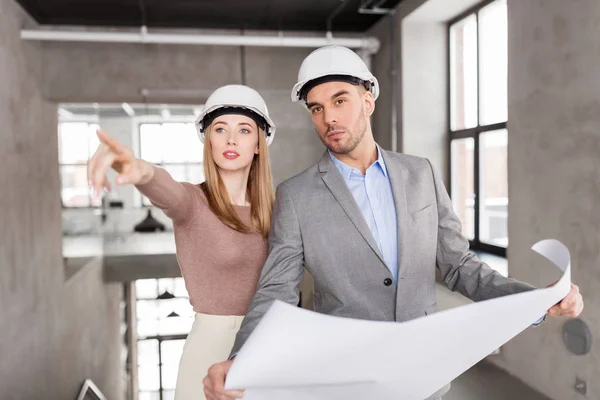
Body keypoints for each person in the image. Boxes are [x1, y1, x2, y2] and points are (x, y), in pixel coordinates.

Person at [202, 46, 584, 400]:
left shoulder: (420, 173)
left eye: (340, 101)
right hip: (348, 379)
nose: (328, 117)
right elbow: (276, 290)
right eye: (316, 108)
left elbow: (460, 267)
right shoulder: (297, 196)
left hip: (425, 375)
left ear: (367, 100)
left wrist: (534, 300)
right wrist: (241, 358)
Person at [87, 84, 276, 400]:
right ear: (209, 141)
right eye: (220, 129)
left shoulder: (279, 209)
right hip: (211, 351)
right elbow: (163, 188)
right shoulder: (192, 202)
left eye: (244, 129)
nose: (231, 139)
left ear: (259, 144)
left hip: (271, 344)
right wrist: (141, 171)